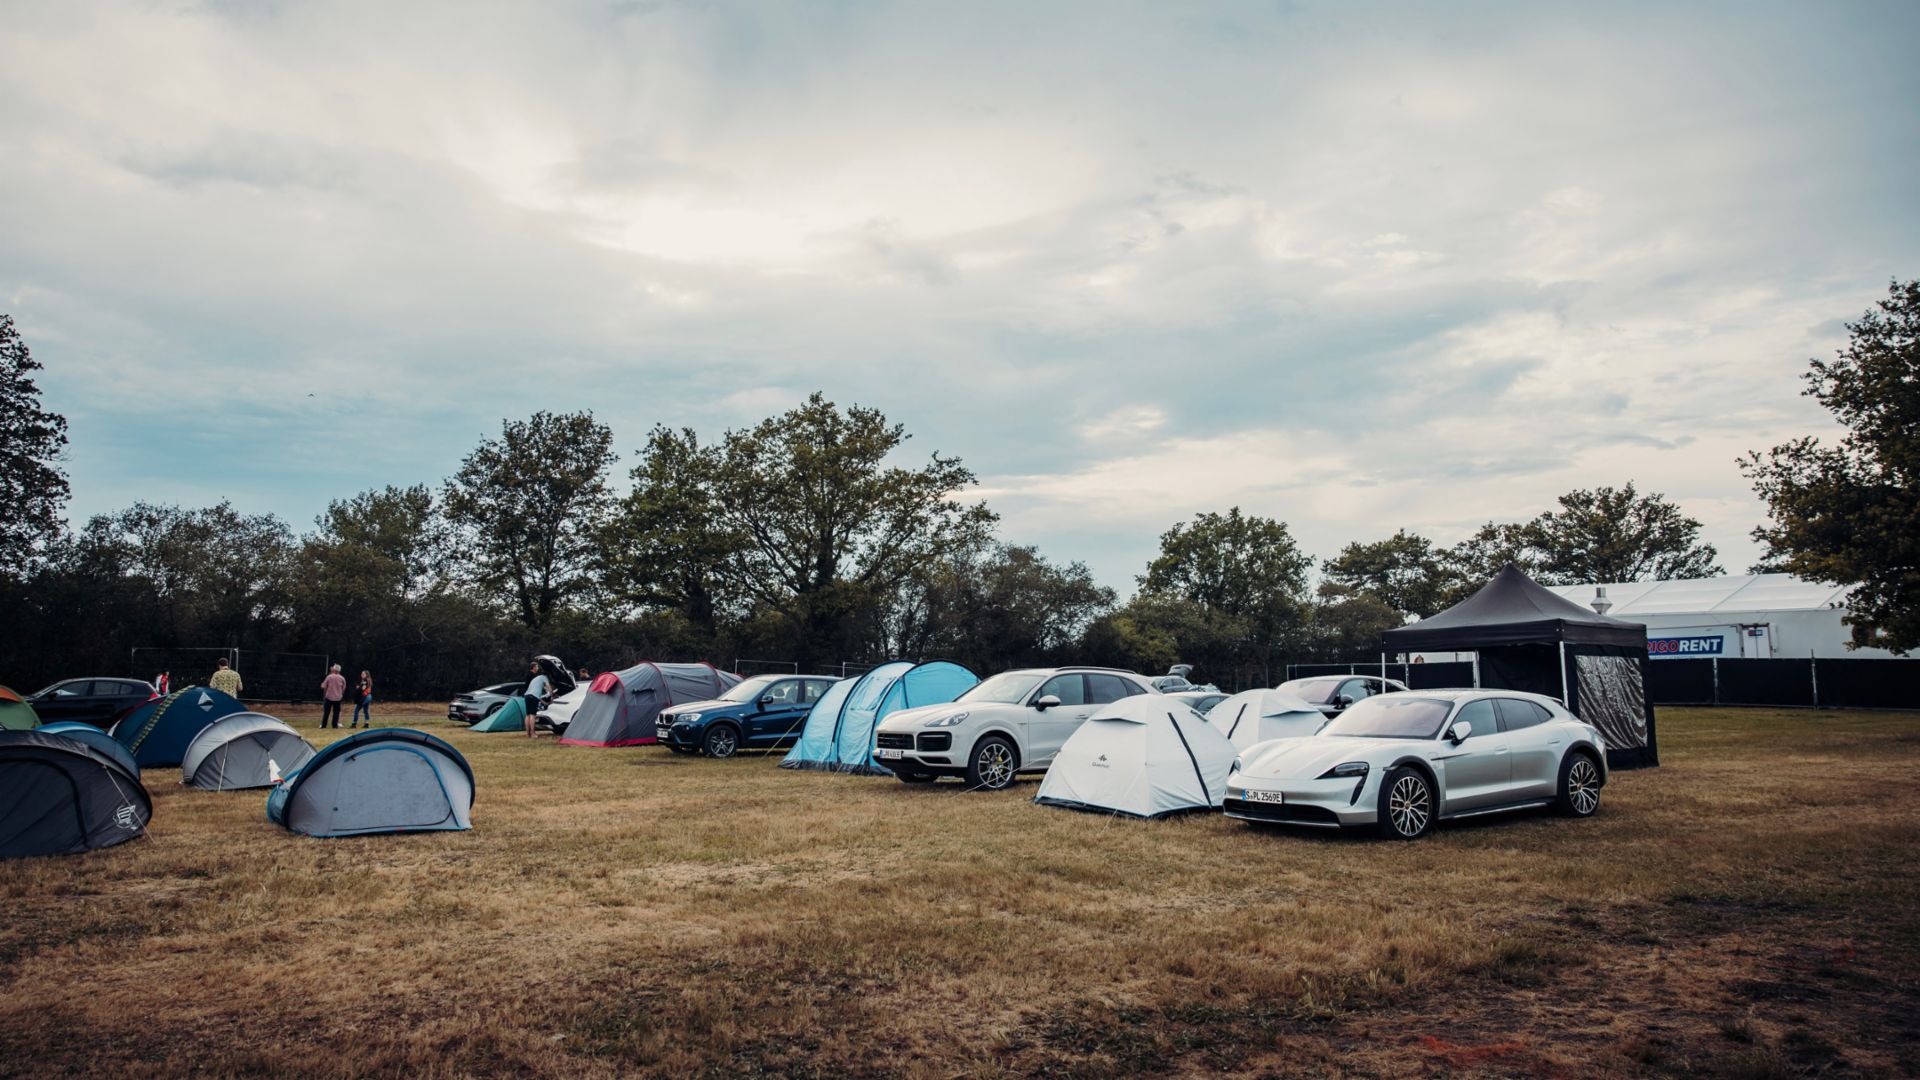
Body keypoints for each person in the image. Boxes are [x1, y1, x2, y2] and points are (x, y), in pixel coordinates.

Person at [523, 660, 550, 738]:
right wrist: (549, 692)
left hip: (527, 695)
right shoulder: (535, 676)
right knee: (533, 715)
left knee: (527, 714)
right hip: (532, 696)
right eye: (537, 666)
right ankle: (533, 733)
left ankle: (528, 733)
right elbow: (544, 686)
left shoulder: (528, 675)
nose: (538, 668)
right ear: (534, 667)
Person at [319, 665, 347, 729]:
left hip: (328, 697)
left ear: (333, 669)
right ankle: (334, 725)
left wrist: (324, 691)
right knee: (336, 713)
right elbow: (344, 688)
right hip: (338, 698)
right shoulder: (342, 678)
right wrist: (340, 694)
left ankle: (324, 725)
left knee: (326, 712)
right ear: (339, 670)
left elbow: (324, 686)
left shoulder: (329, 677)